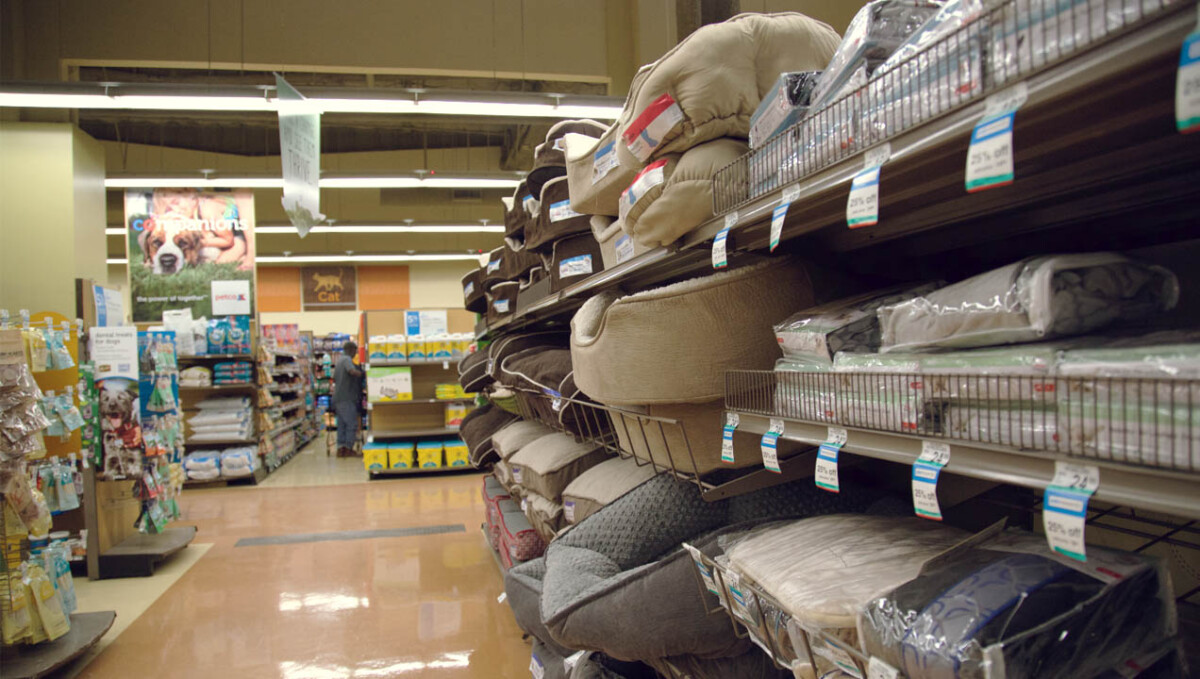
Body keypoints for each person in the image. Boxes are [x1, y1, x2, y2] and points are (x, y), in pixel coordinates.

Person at [332, 341, 365, 457]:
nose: (355, 353)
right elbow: (351, 371)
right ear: (351, 350)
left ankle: (341, 449)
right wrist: (362, 373)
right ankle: (349, 448)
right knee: (352, 424)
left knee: (342, 425)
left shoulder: (339, 361)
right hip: (347, 398)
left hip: (338, 398)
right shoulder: (346, 359)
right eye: (355, 351)